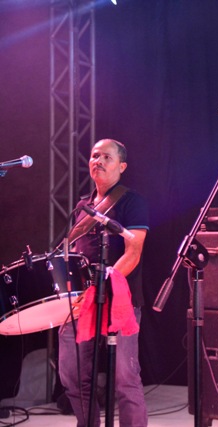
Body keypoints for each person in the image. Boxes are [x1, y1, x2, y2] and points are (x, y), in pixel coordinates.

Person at [58, 138, 149, 427]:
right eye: (95, 156)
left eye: (107, 157)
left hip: (120, 298)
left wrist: (105, 285)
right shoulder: (82, 207)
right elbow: (72, 255)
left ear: (122, 166)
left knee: (125, 377)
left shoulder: (132, 201)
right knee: (71, 374)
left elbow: (133, 251)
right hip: (82, 300)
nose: (98, 161)